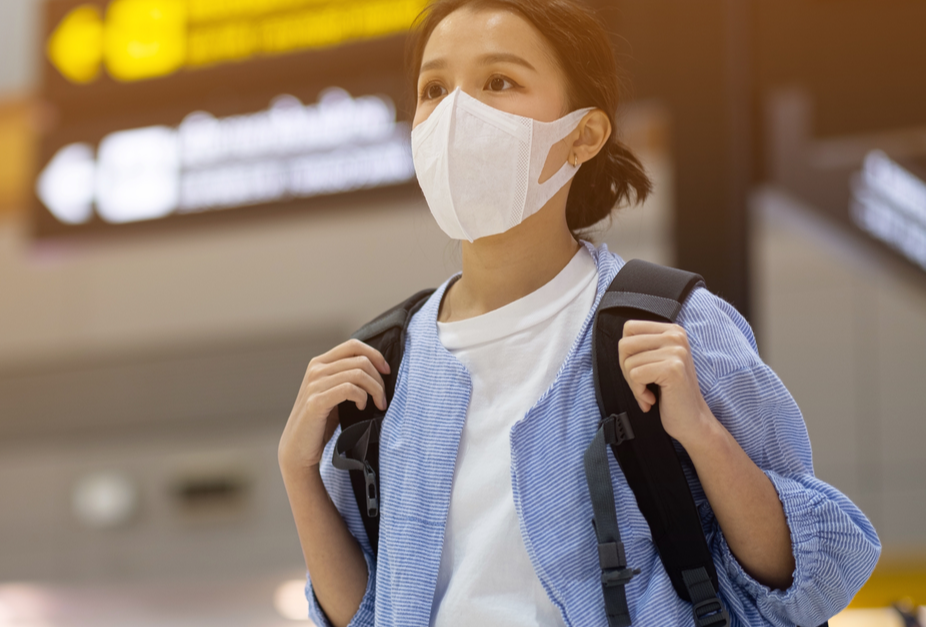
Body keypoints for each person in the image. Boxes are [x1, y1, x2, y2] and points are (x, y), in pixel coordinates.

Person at [277, 1, 881, 625]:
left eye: (499, 82)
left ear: (584, 135)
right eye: (434, 88)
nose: (456, 112)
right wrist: (299, 474)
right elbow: (366, 616)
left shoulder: (672, 322)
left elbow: (807, 579)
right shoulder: (386, 364)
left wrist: (701, 432)